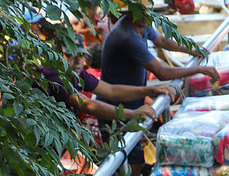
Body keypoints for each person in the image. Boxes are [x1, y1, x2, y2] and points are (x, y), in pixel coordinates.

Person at [100, 6, 219, 176]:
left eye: (148, 11)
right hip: (115, 105)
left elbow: (162, 41)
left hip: (134, 101)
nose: (146, 16)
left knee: (136, 155)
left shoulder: (142, 23)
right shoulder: (127, 37)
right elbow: (161, 72)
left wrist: (193, 49)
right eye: (141, 11)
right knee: (126, 158)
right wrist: (197, 70)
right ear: (128, 13)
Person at [41, 34, 175, 121]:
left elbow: (112, 90)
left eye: (82, 55)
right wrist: (132, 114)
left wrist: (151, 90)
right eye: (71, 54)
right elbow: (86, 104)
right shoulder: (54, 76)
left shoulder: (77, 73)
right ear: (58, 55)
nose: (78, 60)